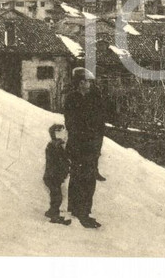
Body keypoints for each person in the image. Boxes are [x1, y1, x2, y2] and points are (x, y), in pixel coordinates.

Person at [64, 67, 104, 228]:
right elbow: (71, 123)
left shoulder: (94, 98)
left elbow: (99, 123)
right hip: (78, 145)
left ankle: (83, 210)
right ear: (80, 83)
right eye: (87, 81)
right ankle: (78, 211)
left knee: (88, 178)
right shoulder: (71, 99)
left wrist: (96, 145)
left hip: (91, 146)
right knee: (78, 177)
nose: (89, 84)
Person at [43, 123, 71, 225]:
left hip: (54, 177)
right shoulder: (54, 146)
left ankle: (51, 212)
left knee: (55, 195)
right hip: (52, 177)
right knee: (57, 197)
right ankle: (54, 216)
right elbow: (58, 162)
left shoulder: (56, 146)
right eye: (61, 132)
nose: (64, 135)